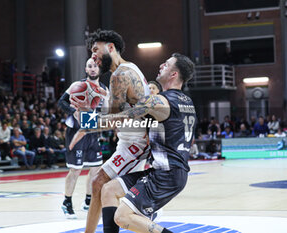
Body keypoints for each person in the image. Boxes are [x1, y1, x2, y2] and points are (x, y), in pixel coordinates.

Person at [72, 53, 196, 233]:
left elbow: (119, 119)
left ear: (174, 74)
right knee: (108, 189)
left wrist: (85, 119)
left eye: (167, 64)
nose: (161, 65)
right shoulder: (187, 102)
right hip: (166, 171)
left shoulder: (159, 101)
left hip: (166, 175)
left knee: (122, 217)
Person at [69, 29, 151, 232]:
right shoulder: (129, 69)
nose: (93, 56)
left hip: (136, 144)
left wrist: (85, 118)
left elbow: (110, 120)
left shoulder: (120, 75)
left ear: (111, 47)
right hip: (130, 140)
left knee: (101, 184)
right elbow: (116, 115)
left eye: (96, 50)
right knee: (99, 184)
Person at [58, 57, 109, 219]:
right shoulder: (77, 86)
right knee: (75, 170)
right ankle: (67, 202)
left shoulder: (104, 89)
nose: (93, 68)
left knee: (95, 169)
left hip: (93, 133)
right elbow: (61, 102)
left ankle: (88, 201)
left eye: (95, 66)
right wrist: (73, 111)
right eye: (89, 66)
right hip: (76, 131)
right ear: (86, 70)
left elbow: (106, 111)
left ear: (100, 69)